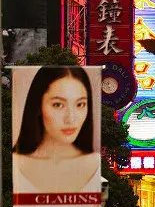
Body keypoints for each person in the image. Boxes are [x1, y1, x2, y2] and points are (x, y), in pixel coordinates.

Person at [12, 66, 100, 197]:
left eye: (80, 104)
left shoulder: (96, 164)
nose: (70, 118)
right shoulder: (15, 163)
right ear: (38, 105)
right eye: (58, 105)